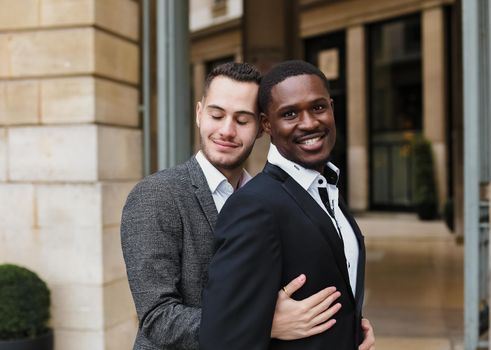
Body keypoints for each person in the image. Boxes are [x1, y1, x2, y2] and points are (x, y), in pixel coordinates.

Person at [120, 62, 360, 349]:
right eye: (216, 115)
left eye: (242, 120)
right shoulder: (156, 195)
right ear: (199, 114)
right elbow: (156, 318)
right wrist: (261, 323)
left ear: (261, 127)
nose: (227, 130)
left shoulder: (272, 197)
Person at [200, 60, 374, 350]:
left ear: (331, 107)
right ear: (267, 124)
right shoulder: (254, 206)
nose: (308, 123)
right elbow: (222, 338)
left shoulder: (326, 188)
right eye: (290, 113)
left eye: (318, 107)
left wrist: (353, 331)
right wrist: (265, 322)